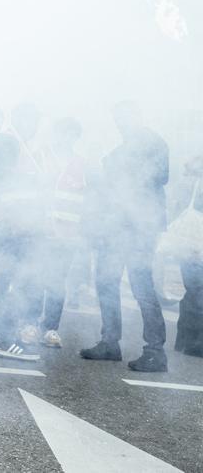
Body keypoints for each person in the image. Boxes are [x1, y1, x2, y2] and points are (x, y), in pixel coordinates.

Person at [81, 101, 169, 372]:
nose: (120, 123)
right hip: (118, 226)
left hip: (139, 226)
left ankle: (155, 351)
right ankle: (110, 342)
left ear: (136, 116)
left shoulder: (152, 142)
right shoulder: (124, 148)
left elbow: (158, 177)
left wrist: (118, 169)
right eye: (117, 118)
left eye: (123, 117)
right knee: (106, 280)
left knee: (141, 285)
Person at [0, 102, 46, 361]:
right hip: (10, 226)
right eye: (31, 121)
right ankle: (4, 339)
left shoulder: (17, 146)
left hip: (9, 225)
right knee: (12, 281)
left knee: (4, 280)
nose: (34, 128)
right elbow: (4, 182)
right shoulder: (9, 143)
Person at [32, 117, 86, 348]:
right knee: (35, 276)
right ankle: (30, 324)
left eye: (71, 134)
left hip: (67, 234)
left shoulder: (79, 163)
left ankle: (50, 328)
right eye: (63, 133)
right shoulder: (41, 156)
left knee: (57, 282)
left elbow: (83, 199)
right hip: (42, 230)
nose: (66, 138)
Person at [169, 155, 203, 357]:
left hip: (187, 244)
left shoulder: (188, 180)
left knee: (194, 289)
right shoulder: (195, 183)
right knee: (198, 290)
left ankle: (184, 338)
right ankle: (196, 341)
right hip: (196, 245)